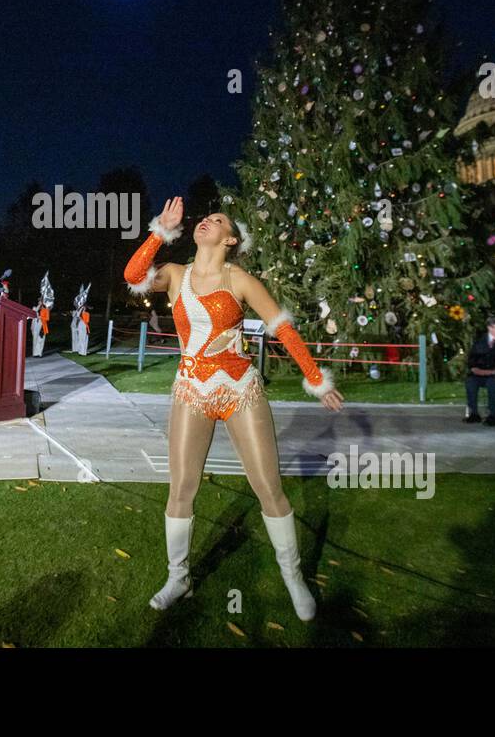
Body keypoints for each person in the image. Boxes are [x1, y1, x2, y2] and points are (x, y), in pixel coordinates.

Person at [123, 197, 343, 622]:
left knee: (268, 486)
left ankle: (293, 576)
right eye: (204, 218)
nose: (206, 220)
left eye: (217, 220)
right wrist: (160, 231)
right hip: (192, 389)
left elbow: (281, 327)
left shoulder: (240, 279)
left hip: (241, 389)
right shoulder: (174, 275)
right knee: (182, 489)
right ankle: (178, 578)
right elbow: (132, 276)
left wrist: (315, 379)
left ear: (231, 238)